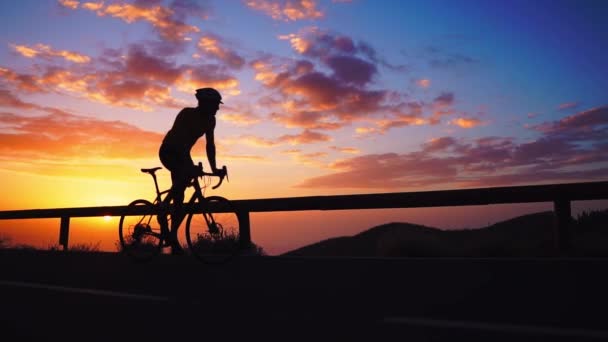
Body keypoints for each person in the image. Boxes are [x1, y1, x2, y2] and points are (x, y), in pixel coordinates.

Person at [158, 87, 226, 254]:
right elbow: (179, 142)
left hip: (183, 154)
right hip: (169, 151)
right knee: (181, 186)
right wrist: (190, 167)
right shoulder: (187, 114)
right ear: (205, 103)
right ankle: (163, 210)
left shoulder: (211, 121)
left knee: (180, 200)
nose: (218, 108)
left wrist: (214, 168)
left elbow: (210, 145)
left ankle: (172, 237)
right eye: (215, 104)